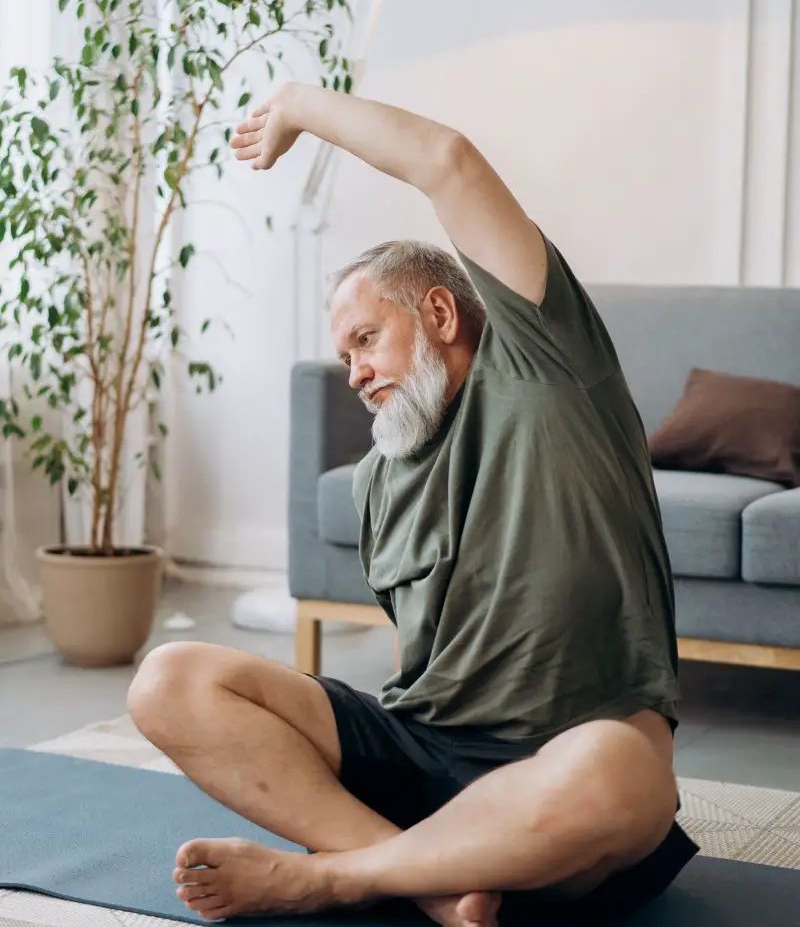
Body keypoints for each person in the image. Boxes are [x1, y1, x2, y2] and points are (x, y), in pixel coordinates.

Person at [127, 83, 699, 927]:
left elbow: (447, 162)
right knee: (166, 680)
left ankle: (333, 878)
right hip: (426, 752)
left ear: (438, 312)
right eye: (344, 354)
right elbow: (420, 664)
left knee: (627, 774)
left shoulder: (546, 369)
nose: (353, 371)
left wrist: (296, 107)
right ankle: (428, 876)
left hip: (560, 765)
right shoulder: (378, 479)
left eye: (366, 338)